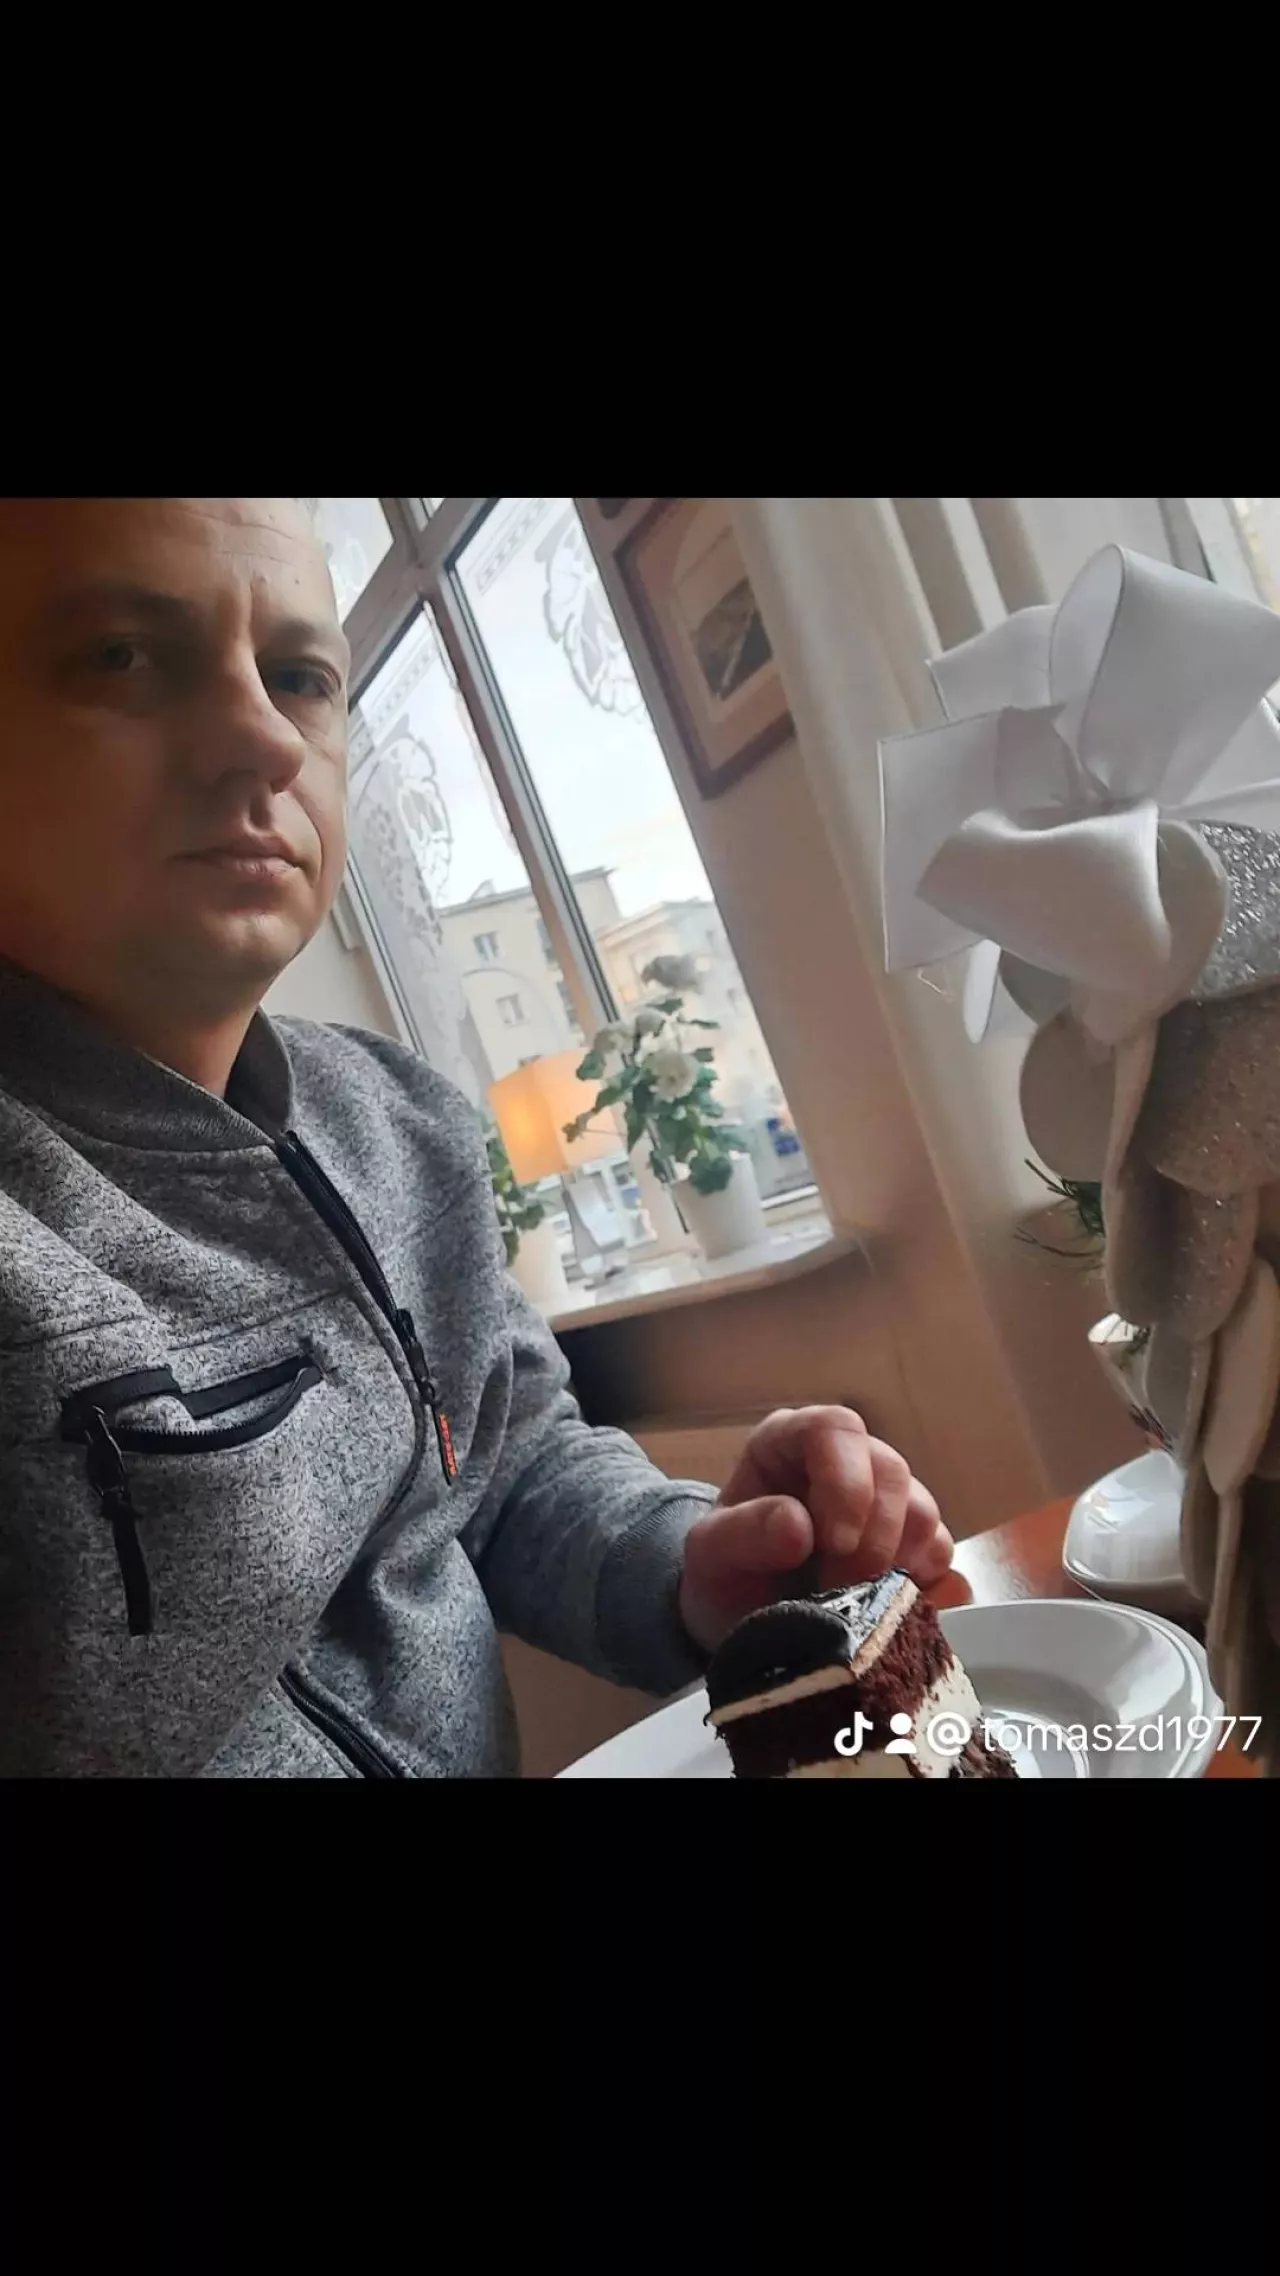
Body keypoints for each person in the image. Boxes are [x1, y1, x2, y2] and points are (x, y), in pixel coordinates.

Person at [0, 498, 953, 1777]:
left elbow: (500, 1466)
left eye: (299, 676)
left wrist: (691, 1561)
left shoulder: (399, 1118)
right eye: (122, 654)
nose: (264, 736)